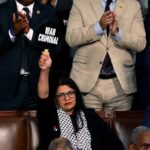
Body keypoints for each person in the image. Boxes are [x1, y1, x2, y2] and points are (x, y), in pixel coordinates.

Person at [65, 0, 146, 111]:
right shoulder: (80, 2)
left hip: (120, 86)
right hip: (86, 83)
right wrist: (98, 26)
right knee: (88, 127)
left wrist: (118, 33)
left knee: (119, 127)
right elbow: (71, 38)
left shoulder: (133, 4)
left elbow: (141, 43)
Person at [37, 50, 124, 150]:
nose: (67, 98)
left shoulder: (90, 116)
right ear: (56, 100)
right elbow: (43, 97)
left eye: (70, 93)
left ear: (76, 94)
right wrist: (45, 70)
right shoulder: (50, 117)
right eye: (61, 95)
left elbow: (114, 143)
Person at [0, 0, 57, 109]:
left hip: (37, 87)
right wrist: (12, 32)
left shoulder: (48, 12)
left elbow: (56, 48)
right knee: (5, 125)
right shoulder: (2, 11)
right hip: (5, 88)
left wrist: (29, 32)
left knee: (37, 125)